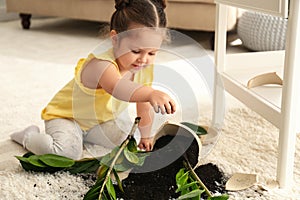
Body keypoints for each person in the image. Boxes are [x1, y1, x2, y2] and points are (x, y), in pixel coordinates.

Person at [10, 0, 176, 160]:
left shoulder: (141, 68)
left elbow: (143, 103)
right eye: (136, 50)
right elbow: (118, 88)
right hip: (68, 118)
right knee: (66, 153)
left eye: (152, 53)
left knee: (131, 141)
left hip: (101, 121)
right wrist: (151, 93)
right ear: (115, 39)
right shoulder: (101, 65)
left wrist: (146, 136)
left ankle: (87, 138)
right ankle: (29, 136)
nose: (143, 59)